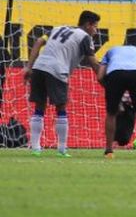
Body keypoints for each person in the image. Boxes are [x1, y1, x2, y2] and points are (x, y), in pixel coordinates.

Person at [23, 10, 102, 157]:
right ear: (87, 24)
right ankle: (61, 149)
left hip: (39, 67)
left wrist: (28, 66)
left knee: (39, 107)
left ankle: (35, 148)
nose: (96, 31)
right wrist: (106, 80)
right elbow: (94, 65)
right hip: (57, 70)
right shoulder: (85, 37)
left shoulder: (59, 28)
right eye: (95, 27)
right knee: (61, 108)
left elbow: (39, 41)